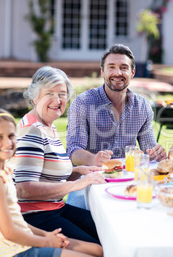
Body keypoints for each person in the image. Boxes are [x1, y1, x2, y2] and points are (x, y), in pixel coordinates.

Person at [0, 108, 103, 257]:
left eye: (11, 136)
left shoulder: (4, 171)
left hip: (24, 240)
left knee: (97, 250)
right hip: (15, 251)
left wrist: (47, 236)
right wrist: (46, 242)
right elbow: (9, 232)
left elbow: (18, 221)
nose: (7, 143)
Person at [13, 66, 105, 245]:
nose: (57, 100)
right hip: (35, 218)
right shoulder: (32, 130)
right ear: (34, 96)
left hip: (54, 208)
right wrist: (77, 185)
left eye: (62, 94)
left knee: (107, 229)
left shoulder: (47, 126)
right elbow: (24, 188)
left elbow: (47, 175)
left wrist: (79, 170)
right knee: (99, 245)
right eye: (50, 93)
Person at [66, 43, 167, 166]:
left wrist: (156, 154)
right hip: (91, 177)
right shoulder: (82, 103)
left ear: (132, 72)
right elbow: (73, 151)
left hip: (128, 177)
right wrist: (93, 160)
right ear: (103, 72)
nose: (117, 73)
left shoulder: (142, 106)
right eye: (111, 67)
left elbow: (149, 150)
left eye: (124, 68)